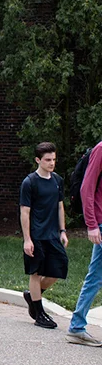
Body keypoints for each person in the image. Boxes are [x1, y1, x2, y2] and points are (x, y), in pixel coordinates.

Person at [20, 142, 68, 329]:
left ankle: (32, 295)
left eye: (54, 159)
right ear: (38, 160)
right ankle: (39, 313)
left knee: (59, 269)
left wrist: (62, 230)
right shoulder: (29, 182)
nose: (51, 163)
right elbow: (25, 211)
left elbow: (59, 206)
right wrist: (27, 239)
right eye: (48, 160)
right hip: (36, 235)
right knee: (36, 272)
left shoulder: (57, 180)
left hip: (53, 235)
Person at [66, 141, 102, 346]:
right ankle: (76, 327)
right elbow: (86, 188)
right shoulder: (101, 149)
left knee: (95, 276)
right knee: (95, 276)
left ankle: (76, 327)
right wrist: (92, 225)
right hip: (101, 222)